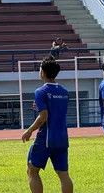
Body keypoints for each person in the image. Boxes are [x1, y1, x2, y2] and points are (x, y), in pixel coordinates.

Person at [22, 57, 73, 193]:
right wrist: (39, 107)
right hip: (62, 138)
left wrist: (29, 130)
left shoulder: (40, 91)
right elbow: (55, 110)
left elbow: (44, 116)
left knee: (32, 170)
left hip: (46, 138)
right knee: (63, 174)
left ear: (43, 72)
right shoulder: (64, 92)